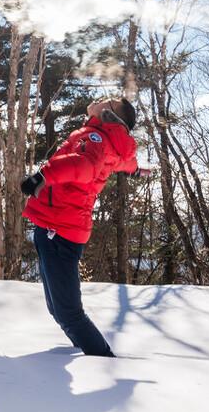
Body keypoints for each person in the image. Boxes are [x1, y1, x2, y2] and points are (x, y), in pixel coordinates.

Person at [20, 97, 156, 357]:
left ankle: (103, 361)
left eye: (110, 101)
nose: (102, 99)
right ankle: (89, 357)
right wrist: (136, 170)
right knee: (58, 309)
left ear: (110, 115)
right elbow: (122, 162)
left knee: (68, 313)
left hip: (59, 230)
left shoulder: (95, 138)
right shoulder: (106, 141)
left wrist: (43, 175)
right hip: (57, 227)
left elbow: (85, 166)